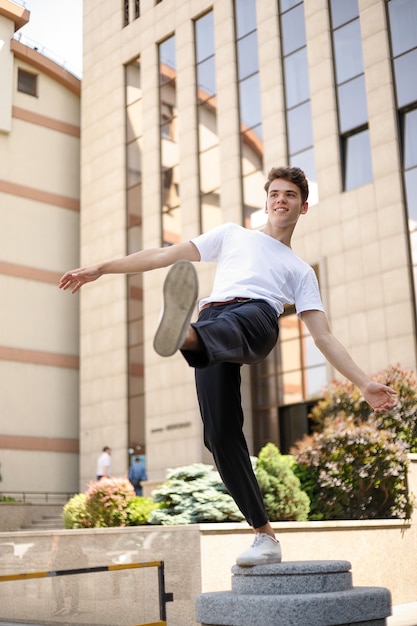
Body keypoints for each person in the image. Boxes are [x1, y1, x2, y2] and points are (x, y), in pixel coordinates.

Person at [59, 166, 396, 567]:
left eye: (289, 195)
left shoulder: (300, 271)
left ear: (303, 207)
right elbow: (163, 255)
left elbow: (323, 337)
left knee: (230, 325)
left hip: (257, 319)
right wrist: (100, 268)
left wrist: (362, 383)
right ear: (266, 200)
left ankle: (188, 337)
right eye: (274, 193)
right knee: (219, 435)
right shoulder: (233, 234)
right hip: (213, 318)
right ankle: (264, 535)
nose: (280, 200)